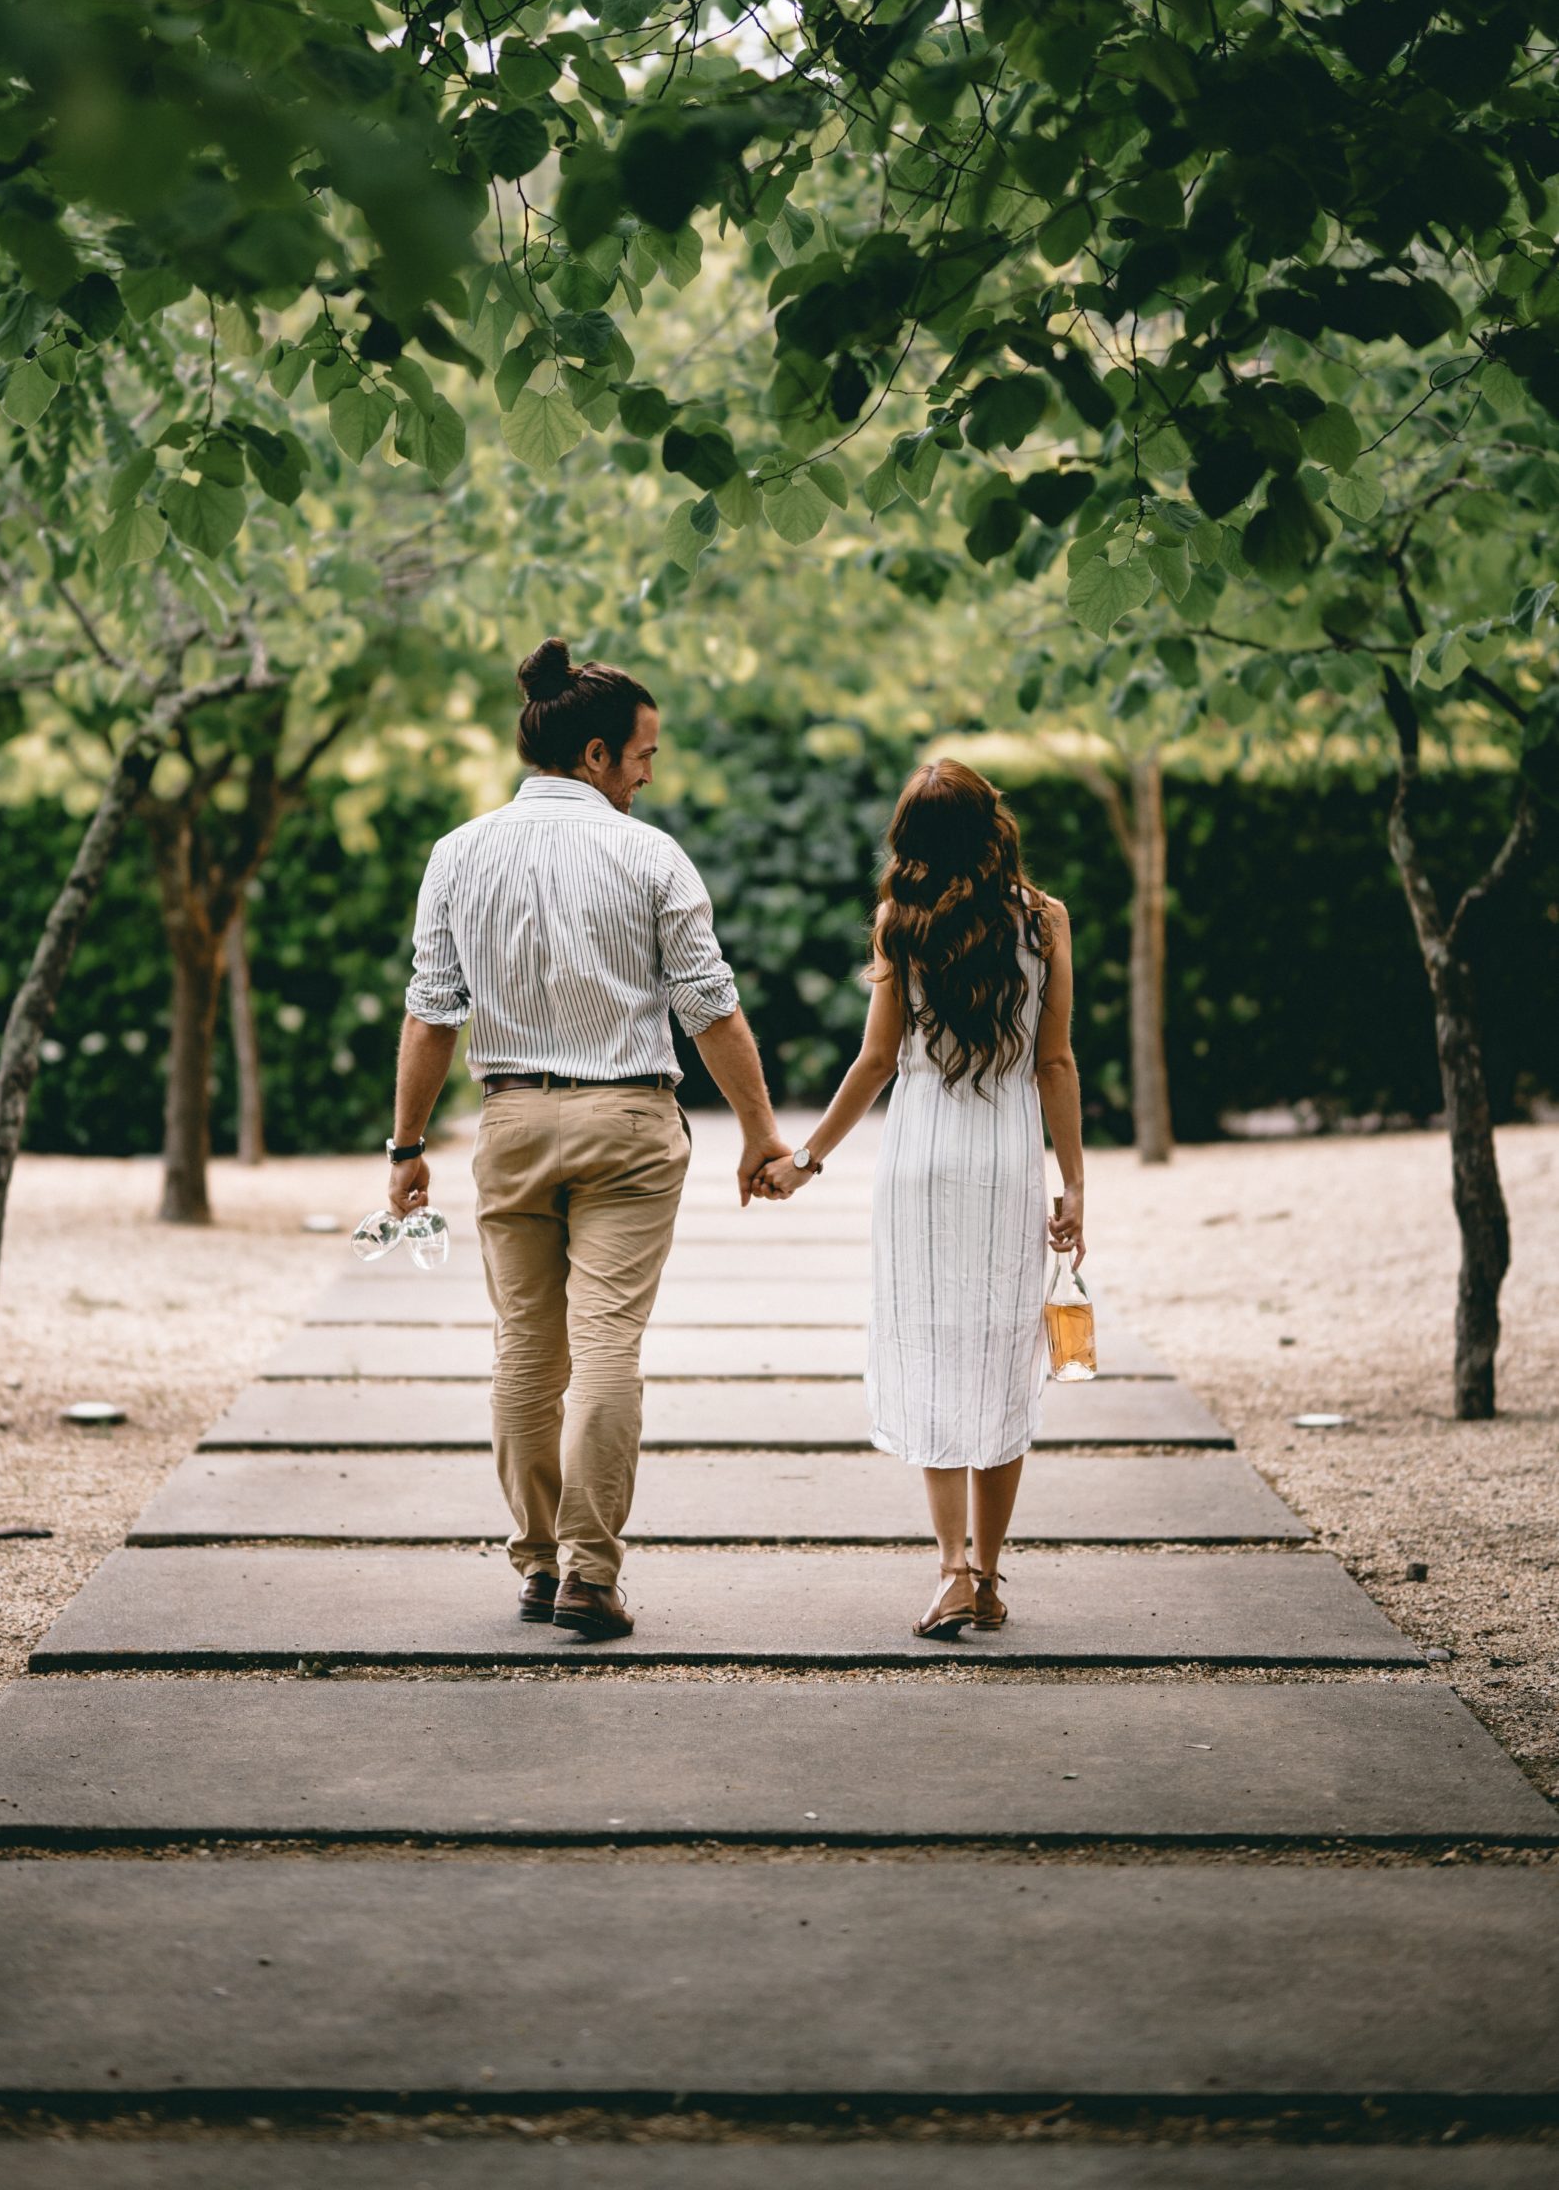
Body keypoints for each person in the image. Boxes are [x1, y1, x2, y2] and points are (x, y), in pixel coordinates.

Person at [385, 637, 789, 1643]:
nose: (651, 772)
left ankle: (535, 1564)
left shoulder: (457, 853)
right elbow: (711, 1009)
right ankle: (590, 1574)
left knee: (526, 1349)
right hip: (628, 1123)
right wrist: (759, 1134)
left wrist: (405, 1147)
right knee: (607, 1343)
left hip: (513, 1120)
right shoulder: (650, 854)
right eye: (644, 753)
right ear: (598, 754)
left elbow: (432, 1015)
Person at [761, 760, 1084, 1639]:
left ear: (910, 839)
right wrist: (1074, 1186)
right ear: (993, 826)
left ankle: (947, 1570)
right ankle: (983, 1574)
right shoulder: (1044, 920)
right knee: (1000, 1356)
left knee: (934, 1357)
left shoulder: (897, 924)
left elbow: (874, 1063)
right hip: (1004, 1160)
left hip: (917, 1162)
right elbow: (1053, 1062)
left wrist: (806, 1160)